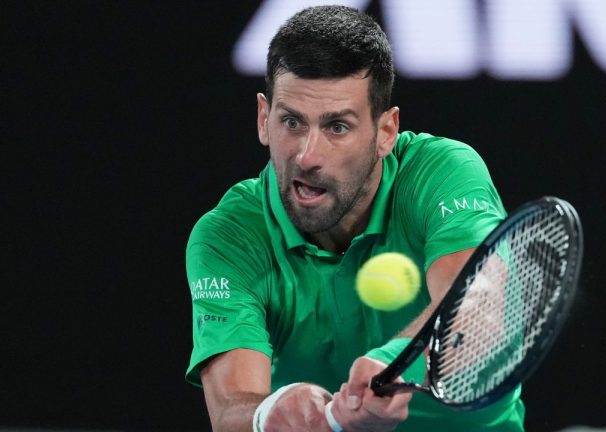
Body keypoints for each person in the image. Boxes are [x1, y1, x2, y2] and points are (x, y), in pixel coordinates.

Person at [185, 5, 525, 431]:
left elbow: (481, 306)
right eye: (291, 121)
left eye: (337, 127)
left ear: (385, 132)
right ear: (263, 119)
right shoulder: (229, 237)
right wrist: (267, 415)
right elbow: (231, 409)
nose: (308, 156)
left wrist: (391, 365)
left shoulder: (442, 172)